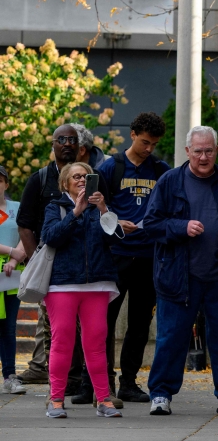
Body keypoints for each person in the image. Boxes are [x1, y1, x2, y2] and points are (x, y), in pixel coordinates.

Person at [143, 126, 218, 416]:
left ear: (216, 150)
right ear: (187, 152)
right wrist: (180, 226)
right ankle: (161, 393)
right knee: (171, 338)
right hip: (178, 276)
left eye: (208, 150)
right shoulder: (169, 181)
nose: (203, 156)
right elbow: (151, 224)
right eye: (197, 151)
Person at [16, 124, 109, 387]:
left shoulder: (94, 180)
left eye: (72, 139)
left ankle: (90, 386)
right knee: (56, 333)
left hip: (93, 274)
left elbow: (109, 230)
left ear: (81, 146)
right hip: (56, 270)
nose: (67, 144)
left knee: (94, 335)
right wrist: (39, 261)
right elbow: (25, 224)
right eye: (61, 139)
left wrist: (104, 211)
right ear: (53, 144)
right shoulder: (40, 179)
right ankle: (61, 385)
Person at [95, 112, 170, 403]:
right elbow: (95, 211)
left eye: (154, 144)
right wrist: (116, 221)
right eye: (144, 142)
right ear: (132, 134)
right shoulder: (110, 168)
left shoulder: (161, 170)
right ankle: (103, 383)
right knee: (105, 323)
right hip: (116, 256)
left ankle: (129, 382)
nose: (149, 148)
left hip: (149, 256)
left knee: (139, 325)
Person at [41, 162, 123, 418]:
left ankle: (103, 399)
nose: (81, 180)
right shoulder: (56, 207)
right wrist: (75, 213)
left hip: (97, 283)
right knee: (62, 340)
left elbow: (116, 238)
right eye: (75, 176)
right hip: (62, 284)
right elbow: (51, 237)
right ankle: (55, 399)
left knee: (96, 342)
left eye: (86, 177)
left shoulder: (99, 207)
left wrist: (103, 209)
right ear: (65, 182)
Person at [0, 165, 26, 394]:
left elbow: (26, 234)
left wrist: (15, 259)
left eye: (0, 180)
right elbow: (14, 247)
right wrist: (10, 251)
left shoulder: (17, 208)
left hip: (9, 277)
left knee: (8, 328)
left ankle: (10, 376)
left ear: (6, 184)